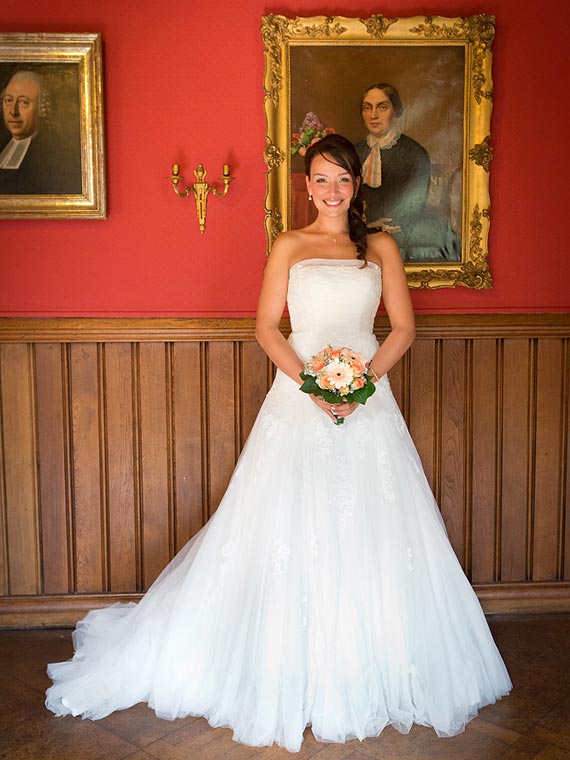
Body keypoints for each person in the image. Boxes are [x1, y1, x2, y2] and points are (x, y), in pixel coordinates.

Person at [46, 134, 511, 753]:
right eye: (321, 179)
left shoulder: (381, 247)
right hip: (298, 401)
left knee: (376, 526)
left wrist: (363, 382)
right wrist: (315, 386)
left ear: (358, 184)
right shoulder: (289, 245)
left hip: (369, 405)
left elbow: (403, 327)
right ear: (308, 185)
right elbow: (265, 326)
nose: (332, 191)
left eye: (343, 179)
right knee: (284, 524)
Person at [354, 83, 460, 263]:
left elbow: (413, 205)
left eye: (382, 107)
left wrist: (378, 227)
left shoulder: (415, 153)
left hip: (402, 230)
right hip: (363, 230)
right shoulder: (355, 152)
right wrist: (365, 225)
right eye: (367, 108)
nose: (373, 115)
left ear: (396, 113)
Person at [0, 70, 82, 195]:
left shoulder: (58, 156)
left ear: (41, 108)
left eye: (24, 102)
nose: (13, 112)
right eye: (8, 100)